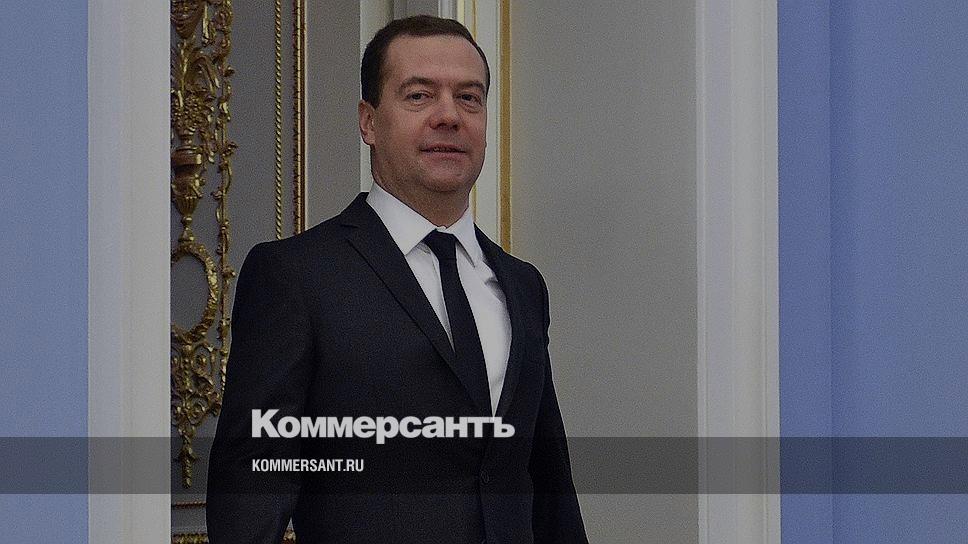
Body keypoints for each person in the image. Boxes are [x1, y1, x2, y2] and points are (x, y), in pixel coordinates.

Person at [207, 15, 587, 544]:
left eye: (469, 98)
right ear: (368, 122)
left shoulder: (523, 285)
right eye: (419, 96)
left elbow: (548, 485)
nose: (449, 116)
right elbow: (251, 491)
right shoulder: (295, 276)